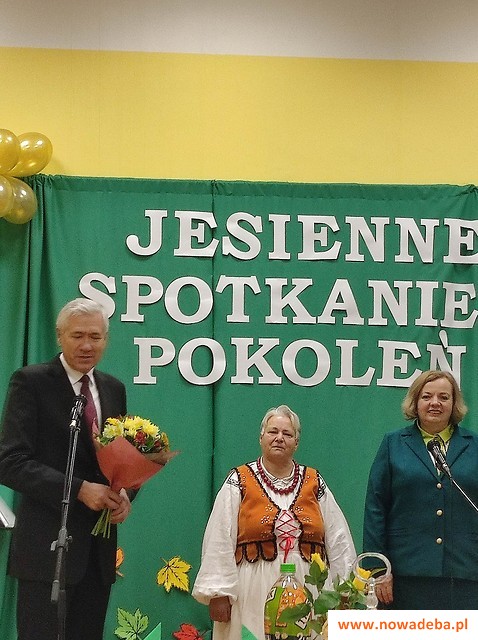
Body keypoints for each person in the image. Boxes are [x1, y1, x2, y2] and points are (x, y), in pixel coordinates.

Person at [0, 298, 133, 640]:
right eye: (77, 336)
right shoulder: (31, 382)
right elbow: (10, 462)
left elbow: (120, 459)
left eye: (95, 336)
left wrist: (125, 494)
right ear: (59, 336)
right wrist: (78, 490)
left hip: (97, 554)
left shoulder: (113, 389)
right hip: (46, 551)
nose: (87, 345)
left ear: (106, 339)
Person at [192, 404, 356, 639]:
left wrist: (344, 592)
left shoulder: (314, 481)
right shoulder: (239, 480)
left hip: (308, 589)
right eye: (273, 431)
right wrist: (218, 593)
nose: (279, 438)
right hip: (252, 590)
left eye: (287, 433)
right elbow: (219, 535)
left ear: (296, 443)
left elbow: (338, 538)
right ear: (261, 438)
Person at [363, 369, 478, 609]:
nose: (435, 403)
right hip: (405, 575)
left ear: (454, 404)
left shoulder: (474, 445)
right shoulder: (393, 444)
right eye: (427, 396)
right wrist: (378, 570)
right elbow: (376, 507)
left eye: (444, 397)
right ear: (415, 402)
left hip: (465, 574)